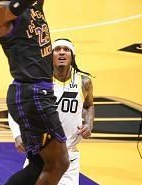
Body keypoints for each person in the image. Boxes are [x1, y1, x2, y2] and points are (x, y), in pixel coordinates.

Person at [0, 0, 71, 185]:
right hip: (31, 92)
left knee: (40, 164)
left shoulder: (33, 2)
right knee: (59, 163)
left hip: (36, 92)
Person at [8, 38, 95, 185]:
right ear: (50, 55)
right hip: (41, 155)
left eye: (66, 50)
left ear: (72, 56)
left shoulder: (84, 82)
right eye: (57, 49)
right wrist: (17, 134)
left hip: (69, 157)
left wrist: (89, 123)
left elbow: (88, 105)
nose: (62, 52)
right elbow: (16, 107)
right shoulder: (37, 81)